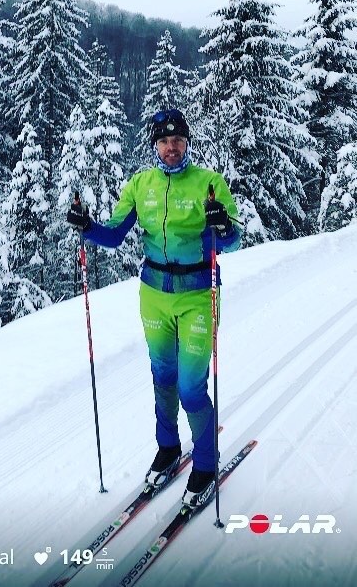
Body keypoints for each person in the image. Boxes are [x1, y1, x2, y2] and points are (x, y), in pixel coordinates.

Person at [67, 108, 241, 508]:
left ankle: (206, 463)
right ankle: (168, 448)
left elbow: (232, 242)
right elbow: (114, 235)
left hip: (197, 294)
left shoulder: (208, 183)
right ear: (154, 146)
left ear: (187, 143)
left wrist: (222, 225)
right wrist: (87, 226)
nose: (170, 147)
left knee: (190, 387)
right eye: (163, 141)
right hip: (154, 294)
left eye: (177, 140)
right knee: (162, 377)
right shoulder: (139, 184)